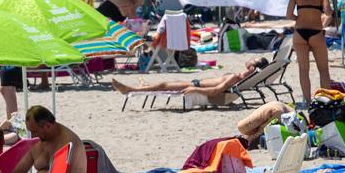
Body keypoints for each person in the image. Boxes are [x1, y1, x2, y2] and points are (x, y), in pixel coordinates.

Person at [4, 106, 87, 173]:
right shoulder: (39, 140)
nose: (33, 135)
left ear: (47, 126)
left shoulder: (67, 142)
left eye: (35, 131)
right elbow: (19, 172)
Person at [111, 57, 269, 99]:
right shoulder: (238, 77)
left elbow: (215, 91)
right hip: (194, 83)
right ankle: (143, 86)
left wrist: (195, 89)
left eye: (253, 60)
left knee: (163, 84)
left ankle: (129, 90)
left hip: (194, 85)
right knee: (164, 84)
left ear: (253, 68)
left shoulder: (235, 77)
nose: (250, 59)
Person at [286, 0, 332, 104]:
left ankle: (307, 102)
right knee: (323, 70)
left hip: (300, 32)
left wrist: (299, 18)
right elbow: (328, 13)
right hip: (316, 31)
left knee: (303, 70)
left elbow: (289, 15)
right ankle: (326, 101)